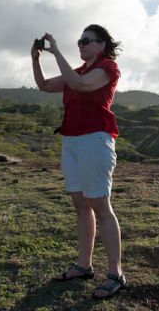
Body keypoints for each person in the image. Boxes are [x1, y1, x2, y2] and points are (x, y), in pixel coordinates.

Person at [31, 24, 126, 300]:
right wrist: (36, 59)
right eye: (79, 41)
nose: (81, 45)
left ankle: (115, 274)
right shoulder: (79, 71)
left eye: (86, 41)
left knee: (100, 205)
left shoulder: (108, 68)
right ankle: (84, 265)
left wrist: (56, 51)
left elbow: (81, 85)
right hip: (71, 140)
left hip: (95, 140)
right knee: (80, 204)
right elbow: (44, 85)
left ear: (102, 45)